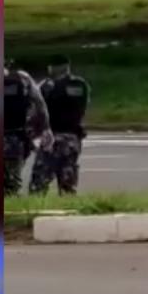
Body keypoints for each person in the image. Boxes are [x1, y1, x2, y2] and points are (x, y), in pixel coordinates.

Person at [29, 54, 90, 196]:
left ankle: (36, 209)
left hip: (52, 137)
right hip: (72, 138)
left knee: (39, 181)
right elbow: (83, 107)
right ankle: (68, 210)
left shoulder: (47, 86)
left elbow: (38, 108)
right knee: (68, 180)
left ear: (56, 67)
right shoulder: (80, 84)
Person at [3, 60, 50, 197]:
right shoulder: (22, 78)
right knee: (12, 182)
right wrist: (44, 128)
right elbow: (40, 105)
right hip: (15, 138)